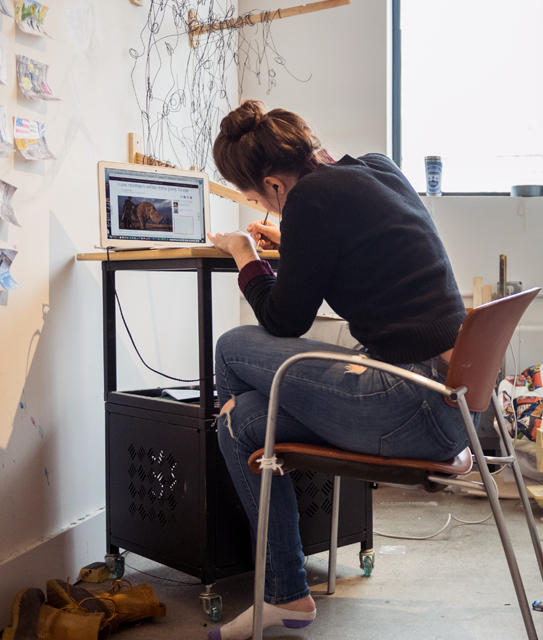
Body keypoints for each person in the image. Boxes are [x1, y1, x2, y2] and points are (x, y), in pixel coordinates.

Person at [205, 100, 473, 640]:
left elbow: (284, 319)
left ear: (274, 186)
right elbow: (371, 247)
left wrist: (242, 253)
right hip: (449, 401)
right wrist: (296, 240)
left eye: (259, 198)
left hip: (404, 403)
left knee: (232, 348)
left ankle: (281, 590)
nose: (266, 208)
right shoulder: (376, 168)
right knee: (244, 419)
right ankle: (287, 593)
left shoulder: (309, 204)